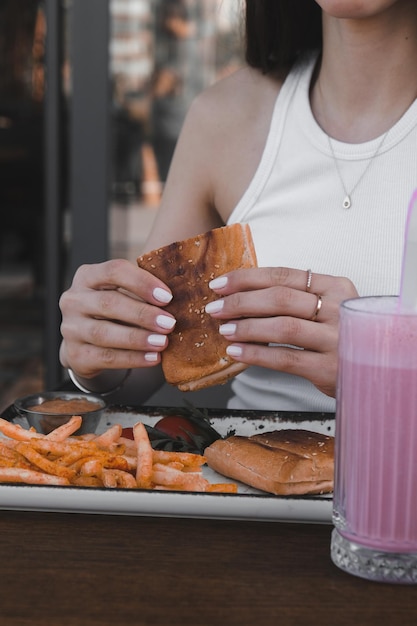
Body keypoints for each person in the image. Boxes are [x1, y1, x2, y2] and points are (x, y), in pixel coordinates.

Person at [59, 0, 417, 411]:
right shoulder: (224, 119)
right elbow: (146, 366)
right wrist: (97, 348)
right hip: (240, 470)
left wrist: (386, 367)